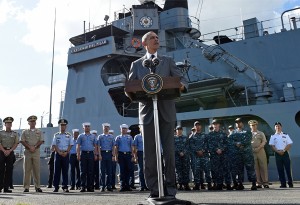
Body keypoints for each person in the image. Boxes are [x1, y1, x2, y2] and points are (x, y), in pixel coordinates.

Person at [128, 31, 188, 198]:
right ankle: (154, 190)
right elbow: (131, 85)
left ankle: (170, 190)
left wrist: (182, 85)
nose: (156, 39)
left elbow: (181, 79)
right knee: (150, 153)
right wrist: (130, 92)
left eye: (157, 37)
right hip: (147, 112)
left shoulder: (167, 61)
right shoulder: (137, 64)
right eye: (152, 37)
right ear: (145, 43)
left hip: (166, 110)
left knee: (169, 152)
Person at [228, 118, 257, 190]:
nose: (238, 124)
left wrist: (239, 143)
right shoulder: (233, 133)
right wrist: (236, 143)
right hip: (238, 154)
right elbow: (230, 141)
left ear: (242, 123)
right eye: (236, 123)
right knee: (239, 170)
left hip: (247, 153)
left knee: (250, 169)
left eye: (239, 122)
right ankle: (240, 184)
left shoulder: (247, 131)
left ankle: (254, 184)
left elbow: (248, 140)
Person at [20, 115, 44, 193]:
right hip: (27, 152)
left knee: (36, 170)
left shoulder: (39, 131)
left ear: (35, 122)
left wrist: (35, 146)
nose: (33, 123)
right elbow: (22, 141)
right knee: (27, 170)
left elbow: (41, 140)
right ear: (28, 123)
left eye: (34, 121)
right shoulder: (25, 131)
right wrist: (29, 147)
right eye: (31, 122)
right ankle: (26, 187)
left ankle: (37, 187)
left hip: (36, 152)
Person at [207, 119, 231, 190]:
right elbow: (209, 144)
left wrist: (221, 149)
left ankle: (228, 184)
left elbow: (227, 143)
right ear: (212, 125)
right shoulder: (210, 135)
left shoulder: (223, 134)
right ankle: (219, 184)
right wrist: (216, 149)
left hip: (223, 155)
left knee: (226, 169)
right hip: (214, 155)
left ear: (219, 125)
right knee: (216, 170)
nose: (215, 125)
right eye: (214, 124)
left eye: (216, 124)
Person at [188, 121, 212, 190]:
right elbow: (191, 146)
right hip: (196, 157)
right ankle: (197, 184)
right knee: (196, 170)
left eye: (199, 125)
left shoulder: (205, 135)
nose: (197, 127)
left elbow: (208, 144)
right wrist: (197, 151)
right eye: (196, 125)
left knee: (207, 170)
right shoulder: (191, 137)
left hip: (204, 156)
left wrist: (203, 150)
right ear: (194, 127)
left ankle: (209, 184)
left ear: (201, 126)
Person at [269, 122, 293, 188]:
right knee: (280, 169)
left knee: (288, 169)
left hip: (285, 153)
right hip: (277, 154)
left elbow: (289, 144)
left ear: (281, 127)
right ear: (274, 128)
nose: (277, 127)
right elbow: (272, 146)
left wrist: (284, 150)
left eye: (279, 126)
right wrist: (277, 151)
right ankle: (283, 183)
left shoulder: (286, 135)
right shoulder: (273, 136)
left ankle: (290, 183)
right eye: (276, 126)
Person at [52, 119, 74, 192]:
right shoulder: (56, 135)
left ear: (66, 126)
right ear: (59, 126)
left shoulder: (69, 135)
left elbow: (71, 144)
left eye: (64, 125)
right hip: (58, 154)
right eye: (61, 125)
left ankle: (65, 186)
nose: (62, 127)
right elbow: (54, 144)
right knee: (57, 171)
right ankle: (56, 186)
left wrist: (67, 152)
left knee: (65, 171)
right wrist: (59, 152)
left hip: (66, 154)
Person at [77, 122, 98, 192]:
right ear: (83, 128)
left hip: (91, 154)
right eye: (86, 126)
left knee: (90, 171)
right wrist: (78, 154)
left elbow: (95, 146)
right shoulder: (80, 136)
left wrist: (95, 154)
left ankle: (90, 187)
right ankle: (83, 186)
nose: (87, 127)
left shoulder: (93, 136)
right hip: (83, 154)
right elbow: (78, 146)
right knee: (83, 171)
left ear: (90, 127)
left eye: (88, 126)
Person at [0, 117, 19, 193]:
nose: (9, 124)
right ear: (5, 124)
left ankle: (6, 187)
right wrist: (4, 150)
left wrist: (10, 150)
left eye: (10, 123)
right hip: (1, 151)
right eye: (7, 123)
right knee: (1, 169)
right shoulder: (1, 133)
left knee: (9, 170)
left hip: (10, 152)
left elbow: (16, 143)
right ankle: (0, 186)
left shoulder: (15, 134)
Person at [114, 124, 135, 192]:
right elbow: (116, 147)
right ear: (120, 129)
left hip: (128, 155)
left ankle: (128, 186)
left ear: (127, 129)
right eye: (122, 128)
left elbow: (132, 147)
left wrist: (133, 156)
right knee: (122, 171)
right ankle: (122, 186)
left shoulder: (130, 138)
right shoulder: (118, 138)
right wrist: (116, 156)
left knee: (128, 170)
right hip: (121, 155)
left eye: (125, 128)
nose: (123, 130)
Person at [248, 120, 269, 188]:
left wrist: (259, 148)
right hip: (252, 151)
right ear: (250, 126)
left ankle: (265, 182)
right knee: (255, 167)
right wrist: (252, 149)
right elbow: (247, 143)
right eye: (252, 125)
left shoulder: (260, 133)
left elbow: (264, 141)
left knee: (263, 166)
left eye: (254, 125)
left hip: (260, 151)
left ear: (256, 125)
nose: (253, 126)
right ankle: (258, 182)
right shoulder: (248, 133)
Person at [97, 123, 115, 192]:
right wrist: (100, 155)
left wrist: (113, 155)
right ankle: (102, 186)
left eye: (107, 127)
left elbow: (113, 146)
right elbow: (98, 146)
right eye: (105, 127)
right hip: (103, 153)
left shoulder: (111, 137)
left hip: (109, 154)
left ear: (109, 128)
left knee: (109, 171)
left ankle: (109, 186)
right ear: (103, 128)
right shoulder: (100, 137)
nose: (106, 128)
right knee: (102, 171)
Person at [174, 125, 191, 191]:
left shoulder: (186, 138)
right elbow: (173, 146)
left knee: (186, 170)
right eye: (178, 129)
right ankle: (180, 184)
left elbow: (188, 146)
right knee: (178, 171)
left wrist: (183, 152)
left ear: (182, 130)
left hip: (185, 156)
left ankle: (186, 184)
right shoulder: (174, 138)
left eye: (180, 129)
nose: (179, 131)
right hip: (177, 157)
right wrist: (179, 152)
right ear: (176, 131)